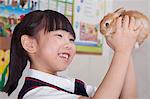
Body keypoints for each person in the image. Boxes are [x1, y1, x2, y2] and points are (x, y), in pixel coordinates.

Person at [1, 10, 143, 99]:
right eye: (59, 35)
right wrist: (122, 51)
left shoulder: (72, 84)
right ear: (30, 44)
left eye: (71, 39)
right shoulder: (36, 94)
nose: (69, 44)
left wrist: (127, 49)